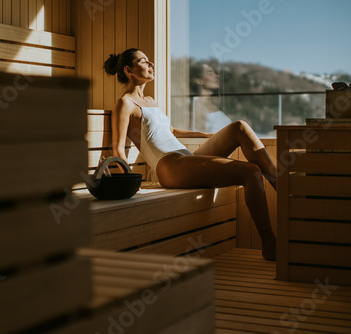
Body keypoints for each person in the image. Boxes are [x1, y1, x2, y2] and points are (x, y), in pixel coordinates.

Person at [103, 48, 277, 260]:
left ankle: (281, 185)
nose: (151, 65)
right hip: (170, 165)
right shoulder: (125, 103)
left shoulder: (151, 101)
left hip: (184, 157)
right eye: (144, 61)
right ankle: (270, 244)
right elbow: (118, 147)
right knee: (251, 172)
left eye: (150, 61)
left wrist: (204, 134)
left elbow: (171, 131)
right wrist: (129, 181)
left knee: (239, 127)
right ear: (129, 70)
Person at [190, 62, 232, 133]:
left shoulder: (214, 105)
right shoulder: (197, 105)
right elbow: (197, 134)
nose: (217, 76)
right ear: (199, 81)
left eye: (215, 73)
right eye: (210, 74)